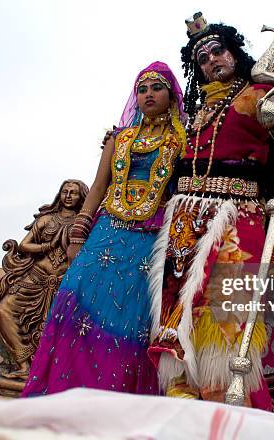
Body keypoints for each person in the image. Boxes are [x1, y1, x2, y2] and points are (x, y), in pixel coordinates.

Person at [147, 13, 274, 407]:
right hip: (185, 216)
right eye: (202, 57)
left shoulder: (258, 91)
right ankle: (181, 390)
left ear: (235, 53)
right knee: (176, 302)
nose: (211, 60)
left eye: (217, 51)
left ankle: (221, 395)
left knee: (226, 303)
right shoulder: (192, 111)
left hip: (237, 212)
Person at [22, 61, 186, 396]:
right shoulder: (119, 139)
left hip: (150, 240)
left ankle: (117, 401)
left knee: (133, 319)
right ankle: (60, 393)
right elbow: (98, 187)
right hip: (107, 230)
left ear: (171, 96)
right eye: (142, 89)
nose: (148, 95)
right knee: (75, 301)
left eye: (156, 88)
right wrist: (79, 231)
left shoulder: (182, 140)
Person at [0, 179, 88, 378]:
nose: (68, 196)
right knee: (3, 311)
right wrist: (46, 247)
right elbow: (25, 245)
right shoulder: (47, 219)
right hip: (35, 278)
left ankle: (54, 374)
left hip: (65, 284)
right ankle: (23, 365)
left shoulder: (85, 222)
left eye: (73, 193)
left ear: (81, 196)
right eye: (64, 192)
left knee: (69, 329)